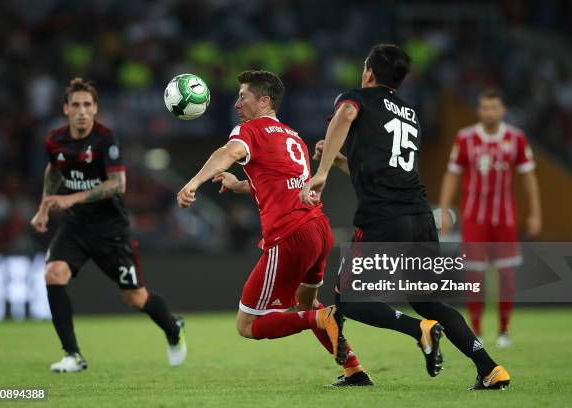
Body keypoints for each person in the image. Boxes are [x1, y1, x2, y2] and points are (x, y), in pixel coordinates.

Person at [301, 44, 510, 390]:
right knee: (427, 300)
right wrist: (336, 161)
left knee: (349, 299)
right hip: (419, 216)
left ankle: (418, 331)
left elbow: (346, 114)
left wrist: (321, 170)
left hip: (383, 217)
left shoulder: (357, 98)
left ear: (369, 72)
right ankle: (490, 369)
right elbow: (376, 168)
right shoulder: (409, 113)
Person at [177, 70, 371, 386]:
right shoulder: (290, 135)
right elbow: (282, 184)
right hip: (318, 229)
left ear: (264, 100)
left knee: (248, 325)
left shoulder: (249, 130)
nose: (237, 102)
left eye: (243, 96)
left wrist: (194, 182)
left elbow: (226, 154)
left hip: (289, 235)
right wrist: (240, 183)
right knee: (306, 301)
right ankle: (353, 368)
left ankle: (323, 318)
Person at [30, 78, 186, 372]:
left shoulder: (105, 139)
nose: (82, 111)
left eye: (87, 105)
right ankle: (72, 355)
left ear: (95, 108)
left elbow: (117, 184)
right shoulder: (55, 140)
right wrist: (44, 208)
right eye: (75, 105)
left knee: (135, 298)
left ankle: (172, 326)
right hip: (75, 228)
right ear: (66, 108)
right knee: (54, 274)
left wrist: (71, 198)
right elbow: (53, 169)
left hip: (111, 231)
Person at [439, 89, 541, 347]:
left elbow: (528, 177)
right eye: (485, 108)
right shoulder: (465, 138)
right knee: (475, 275)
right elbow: (452, 174)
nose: (490, 113)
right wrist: (443, 209)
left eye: (494, 108)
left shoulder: (516, 138)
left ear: (503, 110)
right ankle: (477, 330)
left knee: (505, 273)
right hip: (474, 218)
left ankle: (504, 330)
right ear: (479, 111)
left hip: (505, 217)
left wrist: (535, 213)